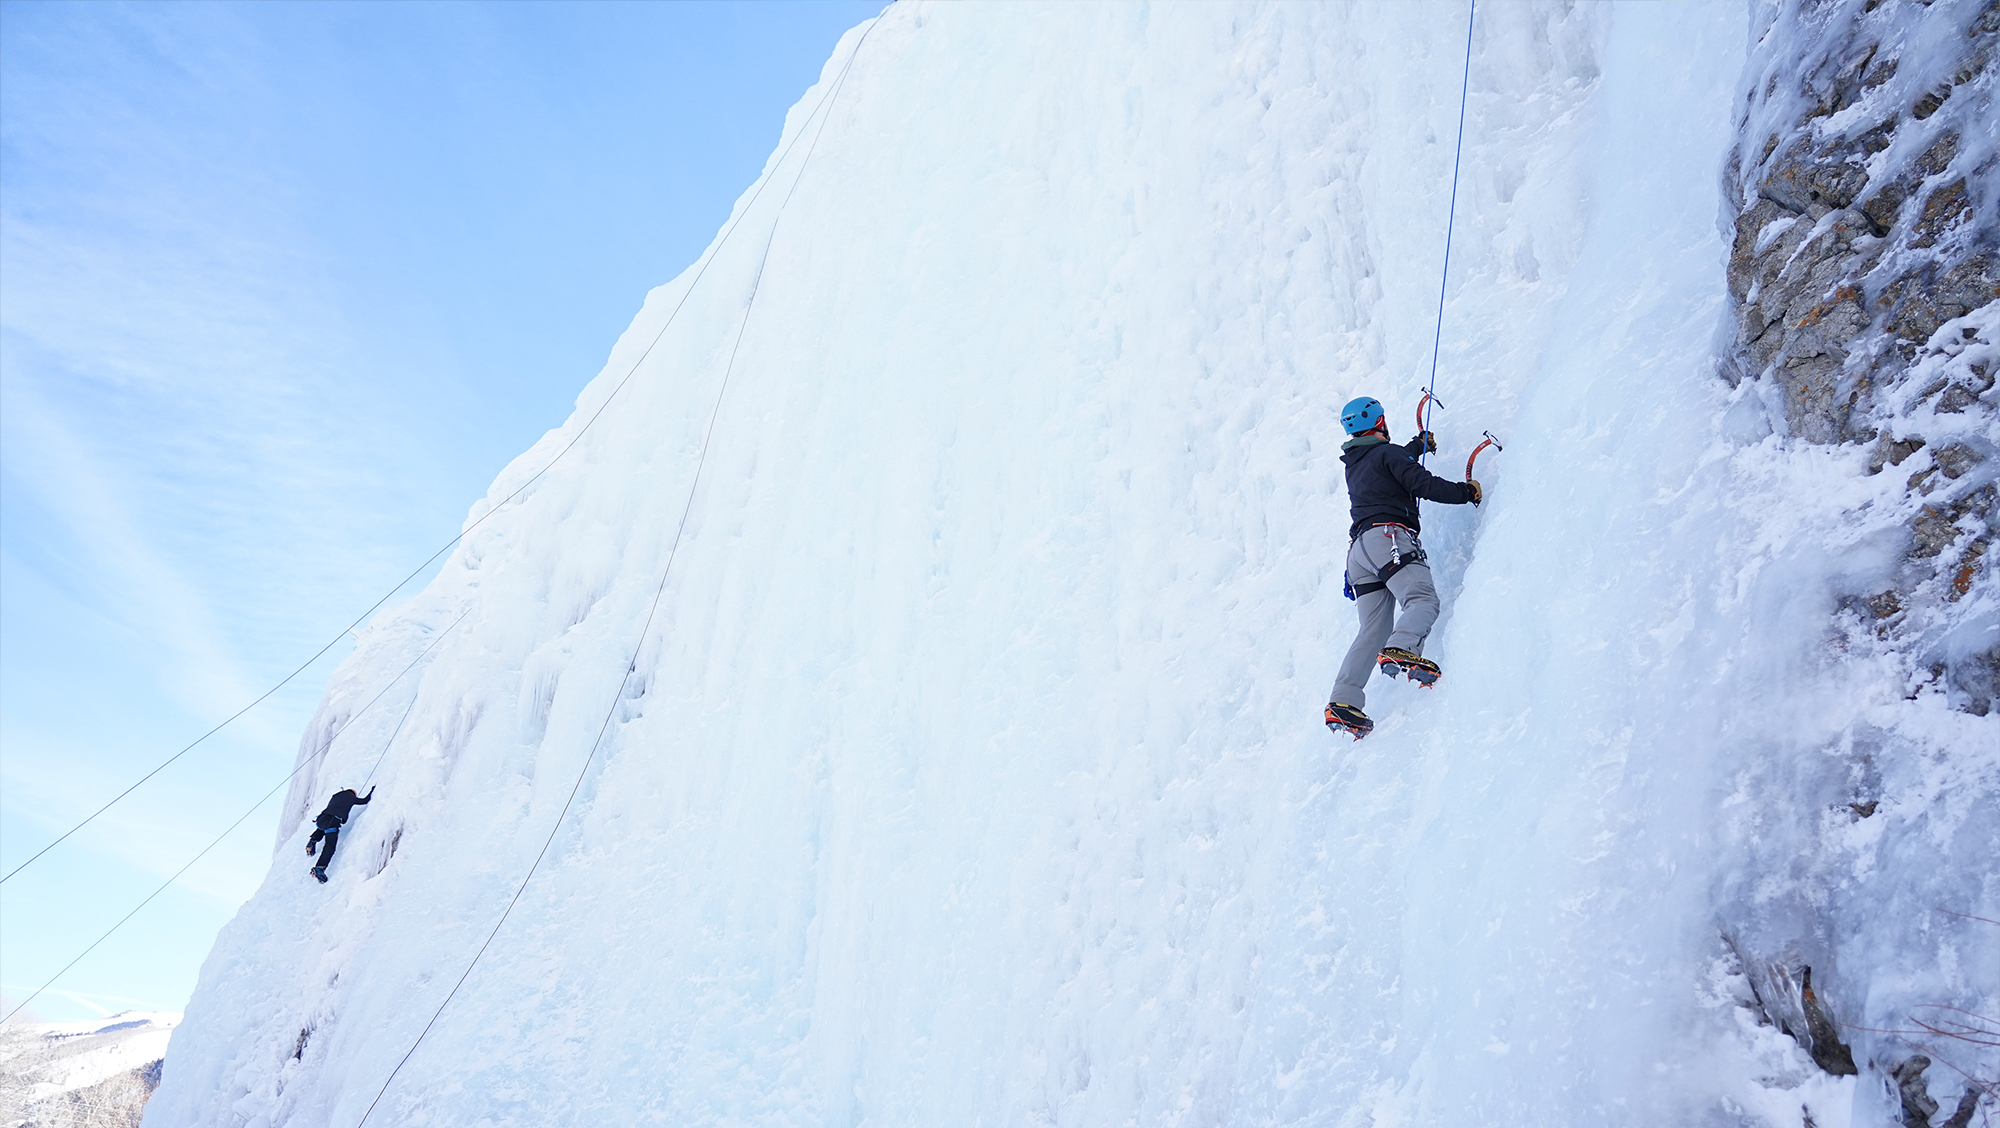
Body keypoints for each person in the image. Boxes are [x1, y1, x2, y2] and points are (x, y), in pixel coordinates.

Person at [1325, 395, 1481, 739]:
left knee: (1372, 630)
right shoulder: (1387, 454)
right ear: (1380, 422)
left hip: (1359, 554)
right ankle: (1404, 648)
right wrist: (1466, 492)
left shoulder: (1356, 463)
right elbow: (1422, 483)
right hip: (1389, 539)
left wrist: (1416, 447)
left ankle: (1343, 701)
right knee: (1421, 600)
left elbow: (1390, 463)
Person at [305, 786, 374, 883]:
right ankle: (319, 868)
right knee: (330, 846)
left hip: (321, 819)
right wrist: (373, 789)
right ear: (353, 793)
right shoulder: (351, 797)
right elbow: (365, 800)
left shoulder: (335, 796)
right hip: (333, 821)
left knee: (321, 828)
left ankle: (312, 841)